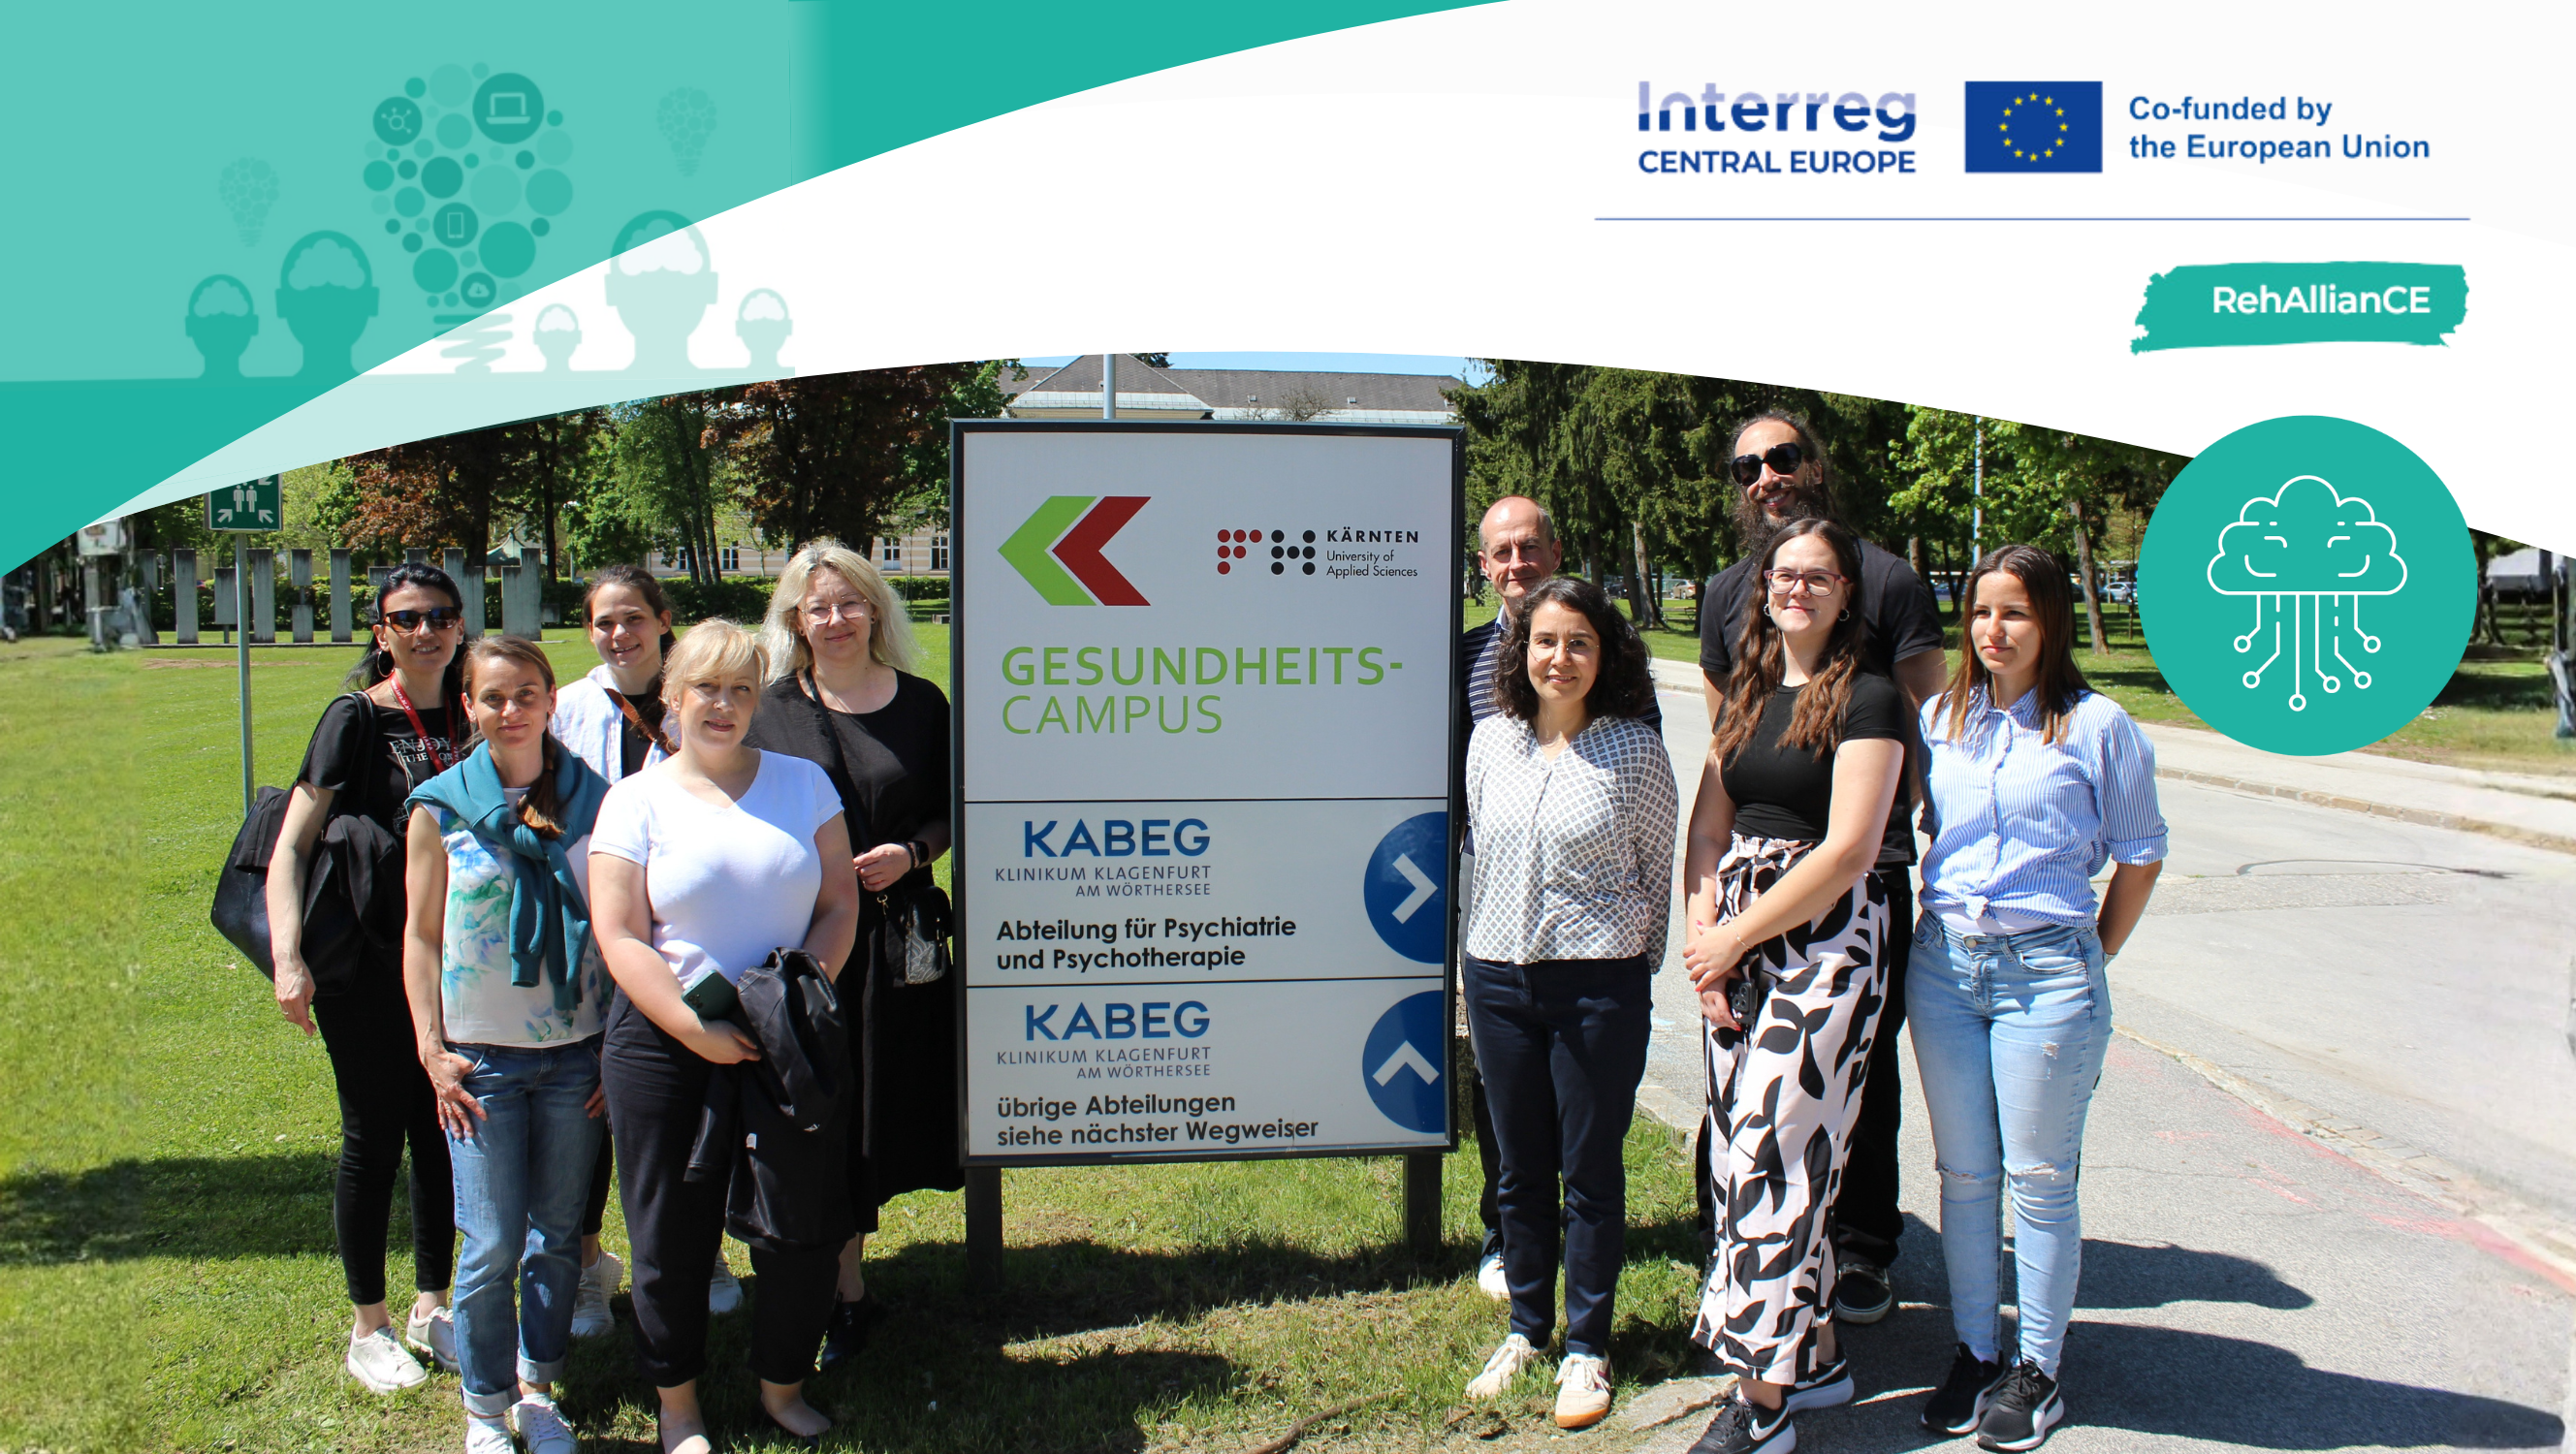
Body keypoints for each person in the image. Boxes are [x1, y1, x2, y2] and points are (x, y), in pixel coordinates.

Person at [1907, 547, 2166, 1451]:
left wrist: (2091, 956)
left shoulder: (2098, 726)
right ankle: (1976, 1351)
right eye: (1981, 612)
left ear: (2050, 620)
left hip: (2046, 975)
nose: (1994, 630)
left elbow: (2139, 855)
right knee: (1963, 1175)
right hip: (1943, 967)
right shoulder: (1941, 719)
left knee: (2040, 1180)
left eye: (2014, 612)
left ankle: (2038, 1370)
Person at [1695, 410, 1945, 1327]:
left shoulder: (1888, 578)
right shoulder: (1727, 593)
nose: (1765, 475)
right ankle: (1749, 1267)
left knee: (1852, 1084)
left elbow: (1926, 724)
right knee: (1745, 1100)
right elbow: (1732, 743)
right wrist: (1709, 927)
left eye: (1782, 457)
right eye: (1747, 466)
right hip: (1747, 894)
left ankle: (1861, 1248)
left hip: (1854, 882)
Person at [588, 619, 860, 1453]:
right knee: (669, 1233)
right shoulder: (634, 800)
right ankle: (678, 1406)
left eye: (742, 689)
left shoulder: (804, 784)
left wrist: (796, 999)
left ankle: (783, 1386)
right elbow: (619, 932)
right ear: (672, 697)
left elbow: (839, 903)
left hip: (786, 1039)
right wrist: (690, 1026)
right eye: (706, 687)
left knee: (800, 1224)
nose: (724, 705)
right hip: (665, 1042)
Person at [1681, 520, 1908, 1454]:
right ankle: (1811, 1361)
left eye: (1818, 576)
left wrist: (1734, 936)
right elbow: (1707, 828)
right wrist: (1703, 939)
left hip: (1826, 939)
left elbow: (1850, 848)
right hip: (1733, 938)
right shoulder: (1746, 692)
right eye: (1783, 574)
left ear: (1847, 593)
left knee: (1775, 1157)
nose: (1796, 589)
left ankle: (1760, 1405)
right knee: (1740, 1152)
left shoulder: (1870, 697)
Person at [1458, 576, 1676, 1432]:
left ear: (1604, 654)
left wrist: (1630, 975)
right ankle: (1526, 1329)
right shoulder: (1491, 740)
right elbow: (1481, 849)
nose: (1560, 658)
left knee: (1587, 1171)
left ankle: (1587, 1345)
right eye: (1545, 641)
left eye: (1579, 642)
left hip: (1595, 989)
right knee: (1518, 1169)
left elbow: (1655, 872)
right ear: (1522, 651)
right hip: (1498, 981)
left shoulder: (1634, 750)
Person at [744, 540, 955, 1372]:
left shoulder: (923, 705)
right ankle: (831, 1289)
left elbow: (950, 809)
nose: (835, 620)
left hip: (898, 951)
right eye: (817, 607)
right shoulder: (766, 709)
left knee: (873, 1113)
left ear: (875, 609)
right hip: (801, 945)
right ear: (795, 620)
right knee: (815, 1113)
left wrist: (912, 852)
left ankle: (848, 1286)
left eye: (849, 603)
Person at [403, 636, 612, 1454]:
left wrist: (613, 1047)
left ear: (551, 700)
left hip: (576, 1057)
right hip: (479, 1062)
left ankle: (537, 1390)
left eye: (527, 693)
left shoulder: (598, 802)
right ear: (469, 707)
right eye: (493, 697)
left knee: (556, 1237)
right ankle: (484, 1411)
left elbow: (626, 928)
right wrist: (430, 1048)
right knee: (490, 1243)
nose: (512, 709)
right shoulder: (439, 808)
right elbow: (421, 937)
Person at [268, 562, 473, 1393]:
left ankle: (432, 1305)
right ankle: (369, 1327)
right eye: (407, 618)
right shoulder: (355, 716)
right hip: (364, 962)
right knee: (373, 1137)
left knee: (443, 1130)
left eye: (440, 616)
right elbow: (291, 843)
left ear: (460, 626)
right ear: (383, 632)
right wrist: (288, 956)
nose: (426, 631)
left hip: (455, 961)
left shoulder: (475, 710)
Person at [553, 566, 747, 1334]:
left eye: (633, 617)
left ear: (663, 620)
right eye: (604, 622)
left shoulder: (701, 699)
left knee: (686, 1103)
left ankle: (703, 1251)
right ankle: (588, 1265)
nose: (619, 634)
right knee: (586, 1109)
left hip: (683, 939)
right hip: (588, 937)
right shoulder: (567, 709)